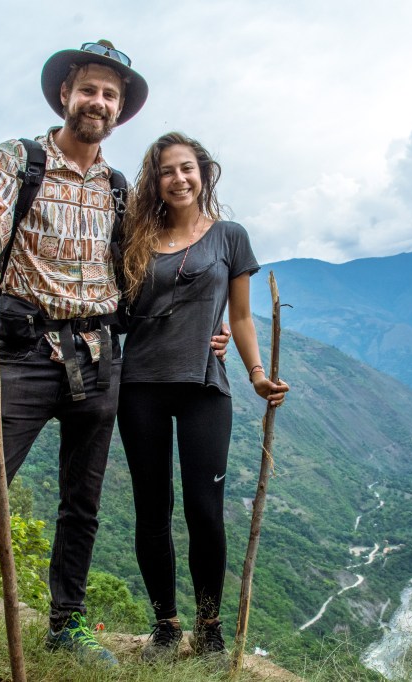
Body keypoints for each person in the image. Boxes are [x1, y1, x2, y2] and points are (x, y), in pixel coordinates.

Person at [0, 41, 226, 681]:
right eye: (89, 89)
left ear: (120, 111)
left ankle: (65, 624)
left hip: (100, 358)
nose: (99, 102)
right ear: (65, 93)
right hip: (22, 356)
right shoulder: (19, 160)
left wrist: (209, 332)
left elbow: (146, 275)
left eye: (111, 95)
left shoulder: (119, 189)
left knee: (82, 504)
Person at [117, 132, 289, 663]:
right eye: (167, 171)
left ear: (204, 173)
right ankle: (165, 626)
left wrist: (257, 374)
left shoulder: (229, 237)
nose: (179, 178)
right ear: (156, 180)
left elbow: (239, 316)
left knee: (205, 512)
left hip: (204, 388)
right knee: (152, 510)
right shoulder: (133, 238)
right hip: (140, 385)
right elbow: (118, 313)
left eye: (187, 168)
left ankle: (209, 628)